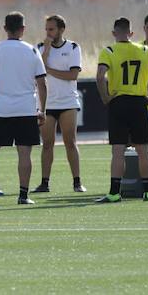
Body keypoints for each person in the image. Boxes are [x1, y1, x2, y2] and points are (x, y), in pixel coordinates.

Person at [0, 12, 47, 206]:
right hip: (26, 110)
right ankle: (23, 195)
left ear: (5, 28)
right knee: (24, 154)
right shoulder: (32, 50)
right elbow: (42, 84)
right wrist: (42, 110)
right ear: (23, 29)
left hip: (1, 110)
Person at [95, 17, 148, 203]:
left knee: (118, 151)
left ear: (114, 33)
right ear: (132, 33)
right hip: (138, 104)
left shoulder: (109, 51)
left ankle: (114, 193)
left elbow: (100, 76)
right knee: (143, 150)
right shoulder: (145, 50)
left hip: (118, 103)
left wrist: (105, 97)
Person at [33, 14, 86, 194]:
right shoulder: (39, 48)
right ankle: (44, 183)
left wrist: (50, 71)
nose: (48, 32)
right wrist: (46, 50)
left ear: (61, 30)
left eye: (51, 29)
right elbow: (39, 71)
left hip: (68, 102)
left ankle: (77, 182)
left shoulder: (73, 47)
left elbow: (72, 75)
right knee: (47, 144)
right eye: (46, 29)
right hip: (47, 103)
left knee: (70, 142)